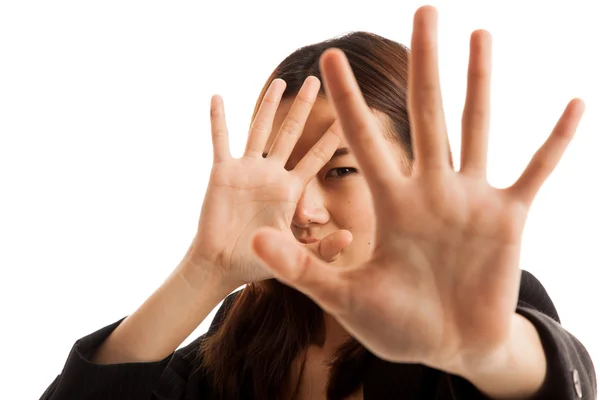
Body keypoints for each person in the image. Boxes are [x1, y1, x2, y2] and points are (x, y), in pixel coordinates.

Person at [40, 6, 596, 400]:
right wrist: (202, 272)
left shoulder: (480, 304)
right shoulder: (245, 330)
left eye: (341, 171)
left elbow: (546, 377)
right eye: (288, 173)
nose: (304, 209)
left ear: (419, 173)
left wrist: (490, 352)